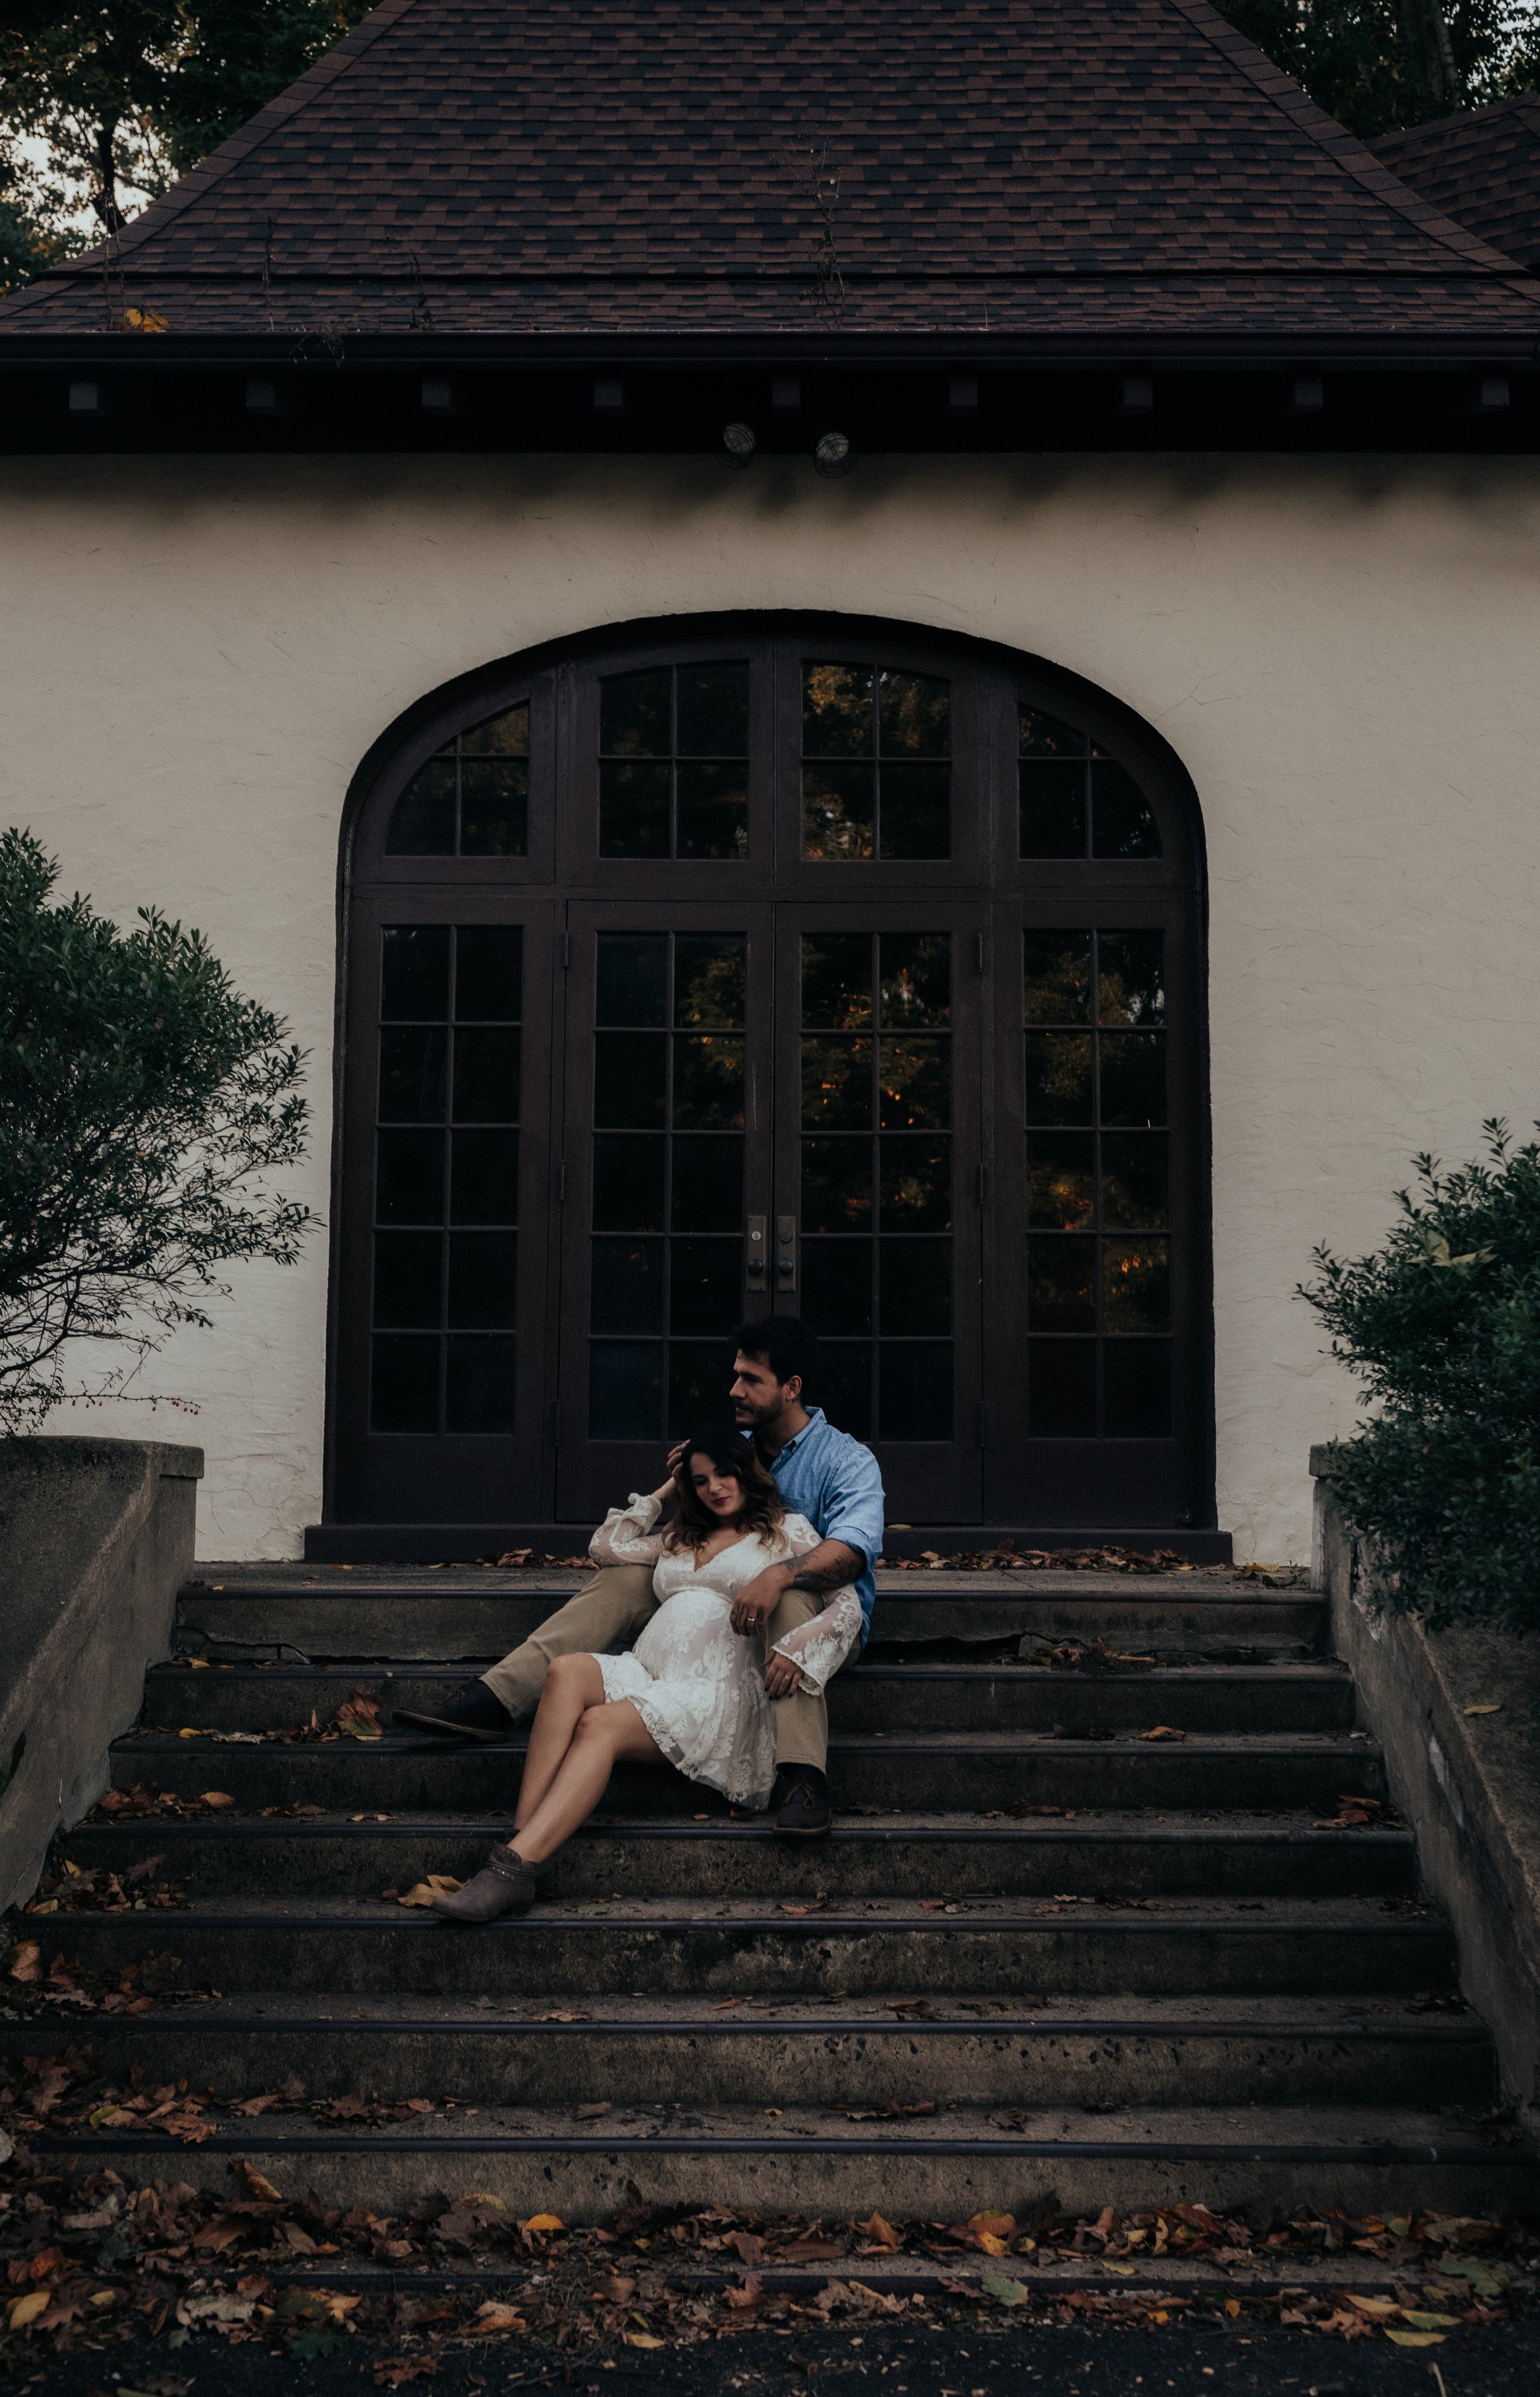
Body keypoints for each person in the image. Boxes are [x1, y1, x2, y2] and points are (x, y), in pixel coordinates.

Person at [395, 1317, 885, 1837]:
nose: (734, 1389)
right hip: (711, 1615)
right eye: (735, 1374)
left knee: (786, 1596)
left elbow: (851, 1555)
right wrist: (679, 1485)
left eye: (751, 1380)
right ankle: (498, 1699)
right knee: (624, 1580)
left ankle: (802, 1777)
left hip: (812, 1619)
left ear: (792, 1389)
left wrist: (777, 1577)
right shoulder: (725, 1448)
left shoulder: (845, 1460)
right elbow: (637, 1544)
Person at [430, 1421, 864, 1922]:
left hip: (714, 1691)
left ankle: (511, 1869)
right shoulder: (682, 1535)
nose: (715, 1489)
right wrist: (665, 1490)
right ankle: (524, 1846)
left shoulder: (787, 1533)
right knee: (566, 1670)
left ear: (748, 1473)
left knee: (598, 1725)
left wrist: (795, 1649)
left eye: (724, 1474)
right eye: (700, 1481)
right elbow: (605, 1548)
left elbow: (845, 1608)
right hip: (651, 1672)